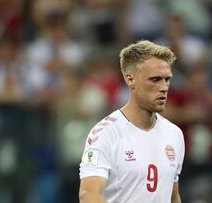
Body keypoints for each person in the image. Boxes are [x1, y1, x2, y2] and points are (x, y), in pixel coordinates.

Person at [78, 40, 185, 203]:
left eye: (167, 79)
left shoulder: (174, 134)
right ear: (130, 79)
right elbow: (88, 196)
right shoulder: (106, 133)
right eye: (155, 79)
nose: (164, 87)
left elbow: (173, 196)